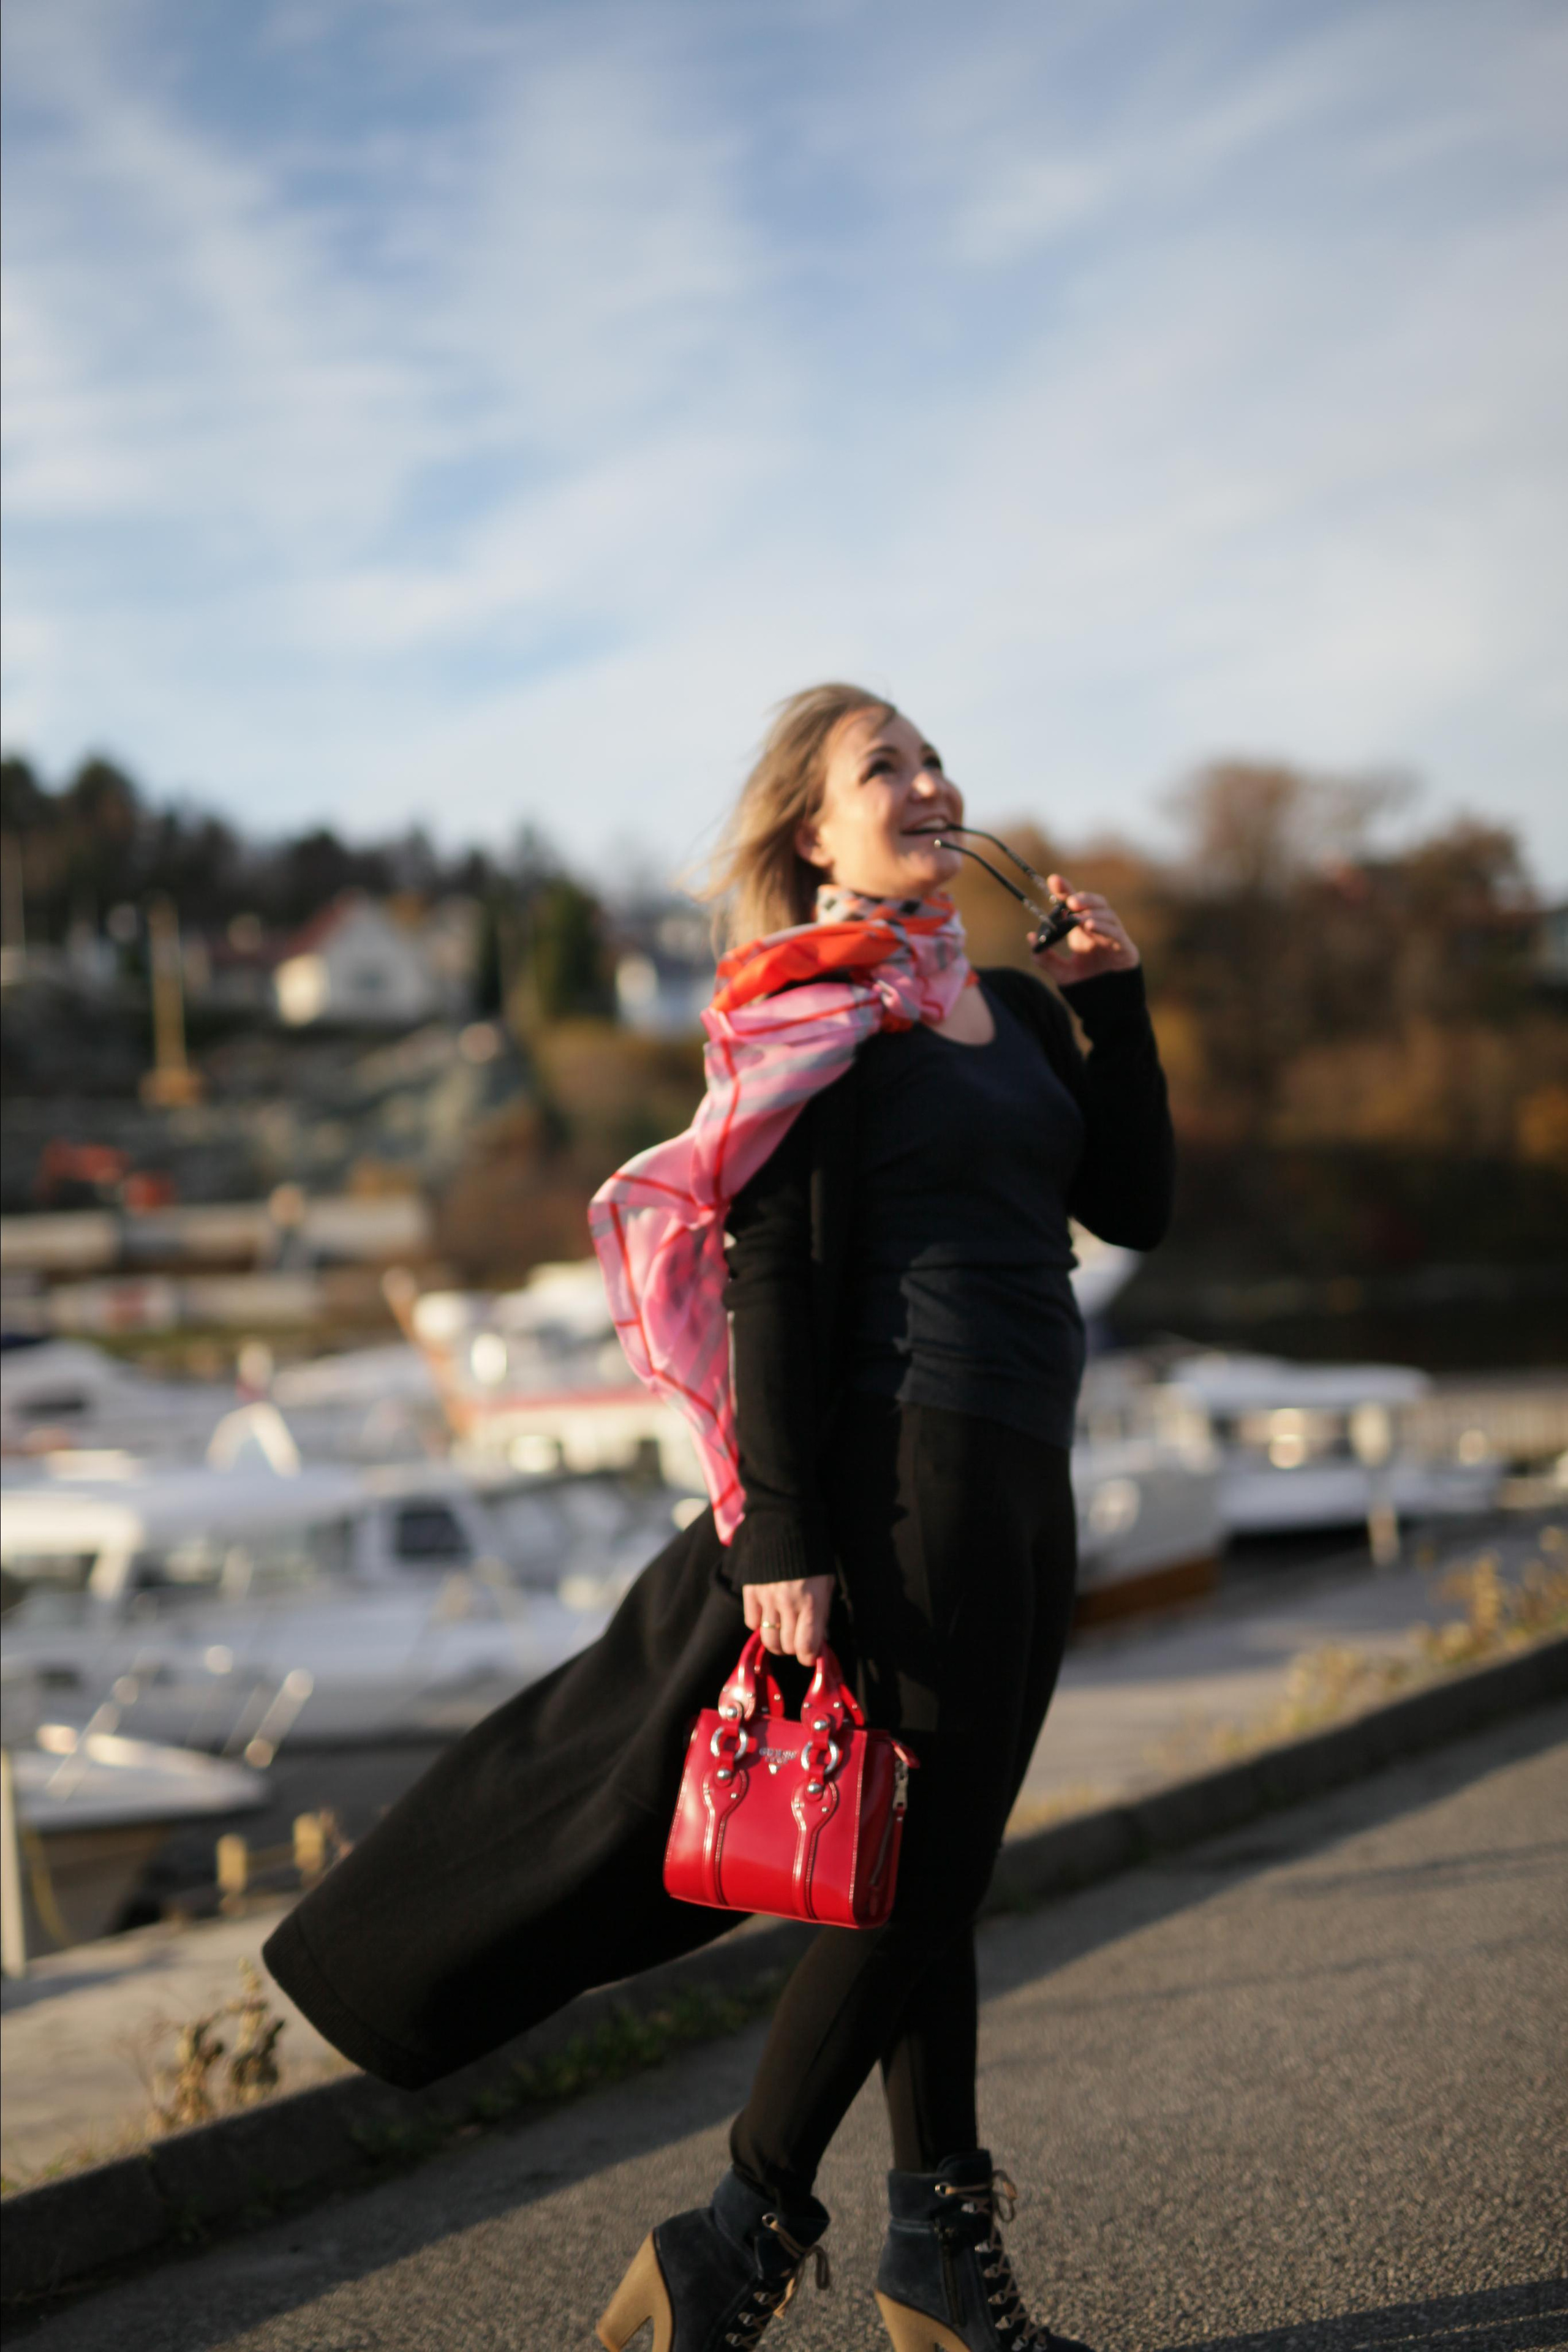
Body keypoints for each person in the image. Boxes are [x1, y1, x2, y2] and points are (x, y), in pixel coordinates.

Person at [264, 683, 1173, 2352]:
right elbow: (770, 1283)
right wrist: (782, 1541)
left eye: (932, 757)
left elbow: (1134, 1206)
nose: (927, 781)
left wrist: (1114, 1011)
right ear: (813, 835)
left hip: (1028, 1470)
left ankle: (936, 2259)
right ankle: (740, 2235)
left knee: (930, 1868)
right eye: (879, 767)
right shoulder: (812, 1012)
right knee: (915, 1874)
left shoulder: (1018, 1017)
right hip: (906, 1477)